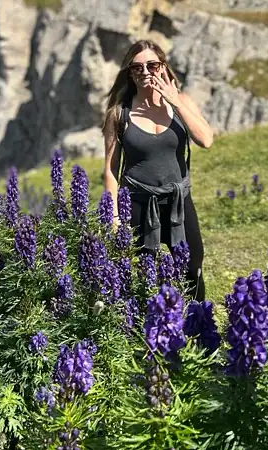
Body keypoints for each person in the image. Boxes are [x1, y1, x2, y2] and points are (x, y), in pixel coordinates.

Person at [102, 39, 214, 301]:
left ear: (163, 67)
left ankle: (197, 327)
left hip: (178, 201)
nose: (145, 72)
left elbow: (206, 139)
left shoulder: (182, 102)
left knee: (192, 267)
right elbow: (110, 170)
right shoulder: (119, 114)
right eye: (137, 67)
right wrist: (114, 217)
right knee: (143, 273)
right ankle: (147, 332)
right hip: (138, 204)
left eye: (152, 65)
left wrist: (174, 101)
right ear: (129, 72)